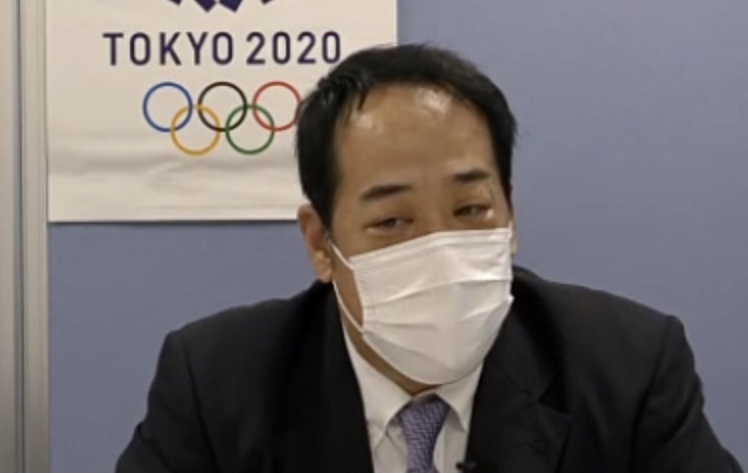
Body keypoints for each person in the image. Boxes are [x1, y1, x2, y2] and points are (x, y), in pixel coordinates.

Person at [116, 44, 743, 473]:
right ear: (320, 244)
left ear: (511, 215)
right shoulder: (218, 384)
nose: (439, 248)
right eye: (392, 221)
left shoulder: (626, 369)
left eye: (471, 210)